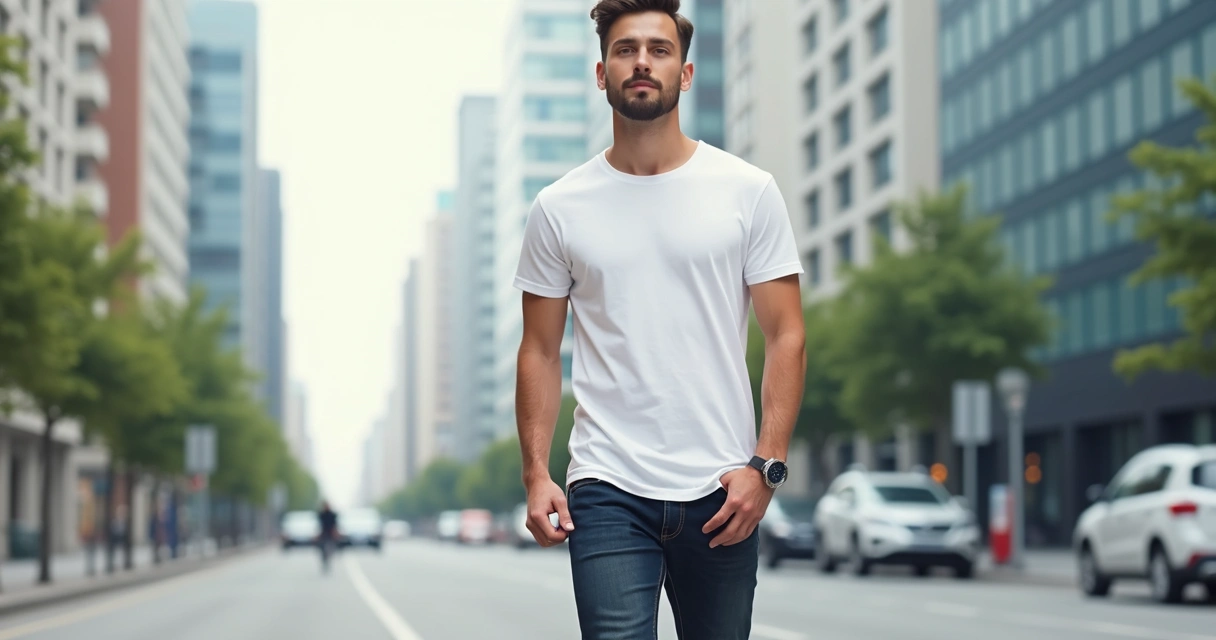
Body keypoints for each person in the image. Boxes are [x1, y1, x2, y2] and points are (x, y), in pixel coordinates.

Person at [513, 1, 807, 637]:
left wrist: (767, 468)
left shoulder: (747, 190)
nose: (642, 61)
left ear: (687, 71)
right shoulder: (559, 207)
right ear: (601, 72)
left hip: (724, 488)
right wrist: (536, 474)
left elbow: (787, 334)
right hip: (607, 484)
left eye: (659, 48)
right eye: (625, 49)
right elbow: (538, 349)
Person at [316, 501, 338, 573]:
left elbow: (335, 525)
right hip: (323, 533)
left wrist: (335, 533)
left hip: (330, 533)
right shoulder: (321, 515)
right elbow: (318, 525)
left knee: (331, 546)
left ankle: (329, 555)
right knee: (322, 548)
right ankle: (324, 559)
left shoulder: (332, 515)